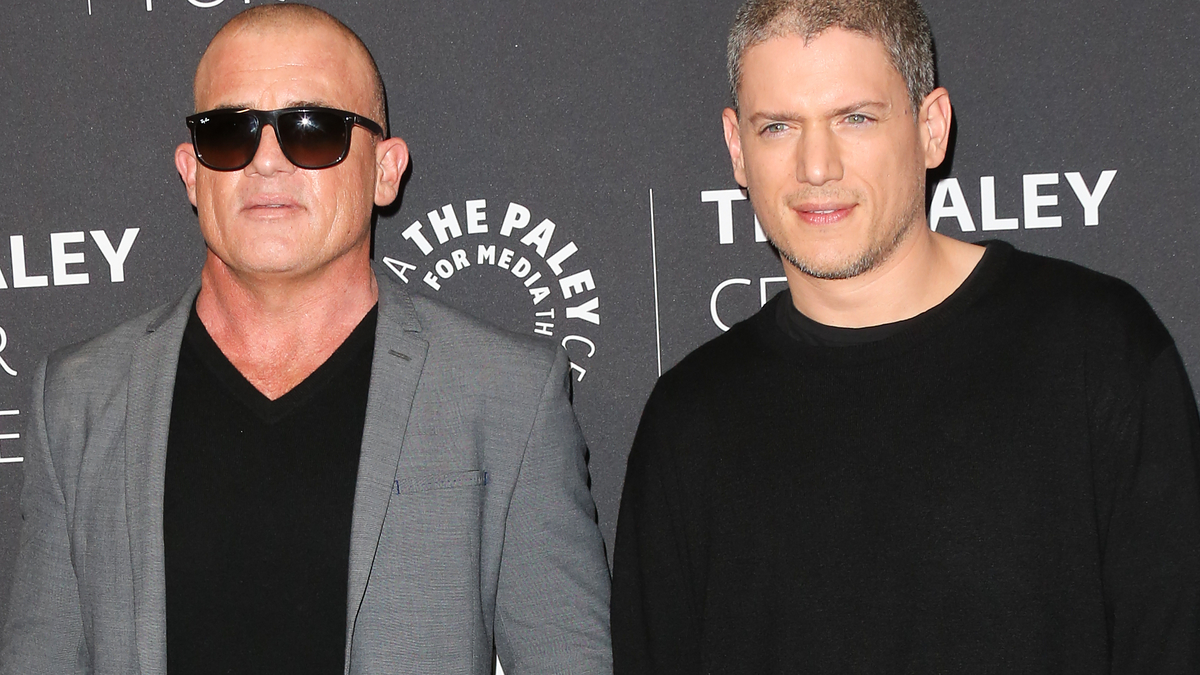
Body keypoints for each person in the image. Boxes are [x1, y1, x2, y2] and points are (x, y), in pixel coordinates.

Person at [0, 5, 611, 674]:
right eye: (230, 133)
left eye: (312, 129)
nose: (266, 160)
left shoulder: (506, 395)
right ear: (192, 171)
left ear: (384, 169)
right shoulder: (82, 398)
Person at [610, 0, 1200, 672]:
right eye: (778, 126)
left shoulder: (1097, 350)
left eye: (854, 118)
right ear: (737, 147)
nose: (816, 166)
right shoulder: (689, 420)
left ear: (930, 127)